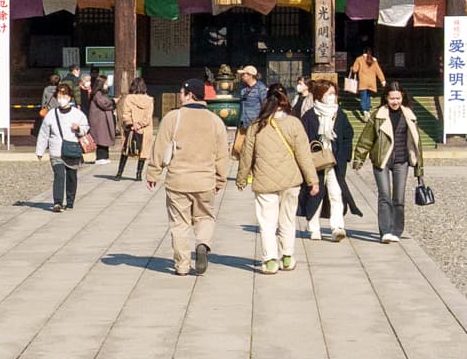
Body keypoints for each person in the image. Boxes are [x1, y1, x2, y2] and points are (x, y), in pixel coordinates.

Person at [148, 78, 232, 275]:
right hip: (205, 180)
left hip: (178, 180)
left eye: (182, 92)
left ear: (189, 94)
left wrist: (153, 172)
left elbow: (159, 147)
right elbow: (222, 155)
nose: (180, 95)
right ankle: (202, 243)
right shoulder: (215, 121)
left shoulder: (173, 118)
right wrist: (220, 179)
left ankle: (182, 265)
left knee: (179, 224)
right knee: (205, 216)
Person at [236, 87, 318, 274]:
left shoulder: (256, 126)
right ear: (286, 104)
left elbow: (246, 155)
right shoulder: (294, 123)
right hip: (291, 181)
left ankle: (270, 260)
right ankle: (287, 257)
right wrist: (312, 180)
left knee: (267, 223)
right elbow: (304, 155)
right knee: (288, 221)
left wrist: (242, 178)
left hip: (265, 181)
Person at [351, 81, 423, 245]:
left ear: (402, 97)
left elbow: (417, 144)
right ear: (386, 98)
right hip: (381, 160)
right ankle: (385, 231)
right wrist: (358, 159)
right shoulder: (378, 115)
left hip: (401, 160)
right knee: (384, 196)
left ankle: (396, 230)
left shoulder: (409, 116)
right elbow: (366, 139)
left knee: (399, 197)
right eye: (392, 98)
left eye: (398, 98)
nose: (395, 102)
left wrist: (419, 168)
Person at [299, 78, 351, 242]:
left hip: (335, 161)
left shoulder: (339, 114)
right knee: (316, 193)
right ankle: (314, 227)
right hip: (316, 161)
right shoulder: (309, 116)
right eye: (329, 94)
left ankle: (337, 226)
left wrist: (344, 156)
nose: (332, 97)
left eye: (334, 94)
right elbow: (303, 138)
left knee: (336, 193)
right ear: (320, 95)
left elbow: (347, 136)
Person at [35, 82, 90, 212]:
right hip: (56, 150)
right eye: (59, 95)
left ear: (70, 97)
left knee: (71, 176)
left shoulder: (78, 114)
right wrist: (40, 150)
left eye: (64, 95)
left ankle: (70, 201)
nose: (62, 98)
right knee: (59, 175)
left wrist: (79, 129)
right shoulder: (51, 114)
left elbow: (86, 128)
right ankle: (57, 202)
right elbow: (44, 133)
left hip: (72, 149)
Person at [115, 77, 155, 180]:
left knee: (126, 150)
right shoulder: (149, 100)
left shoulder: (129, 98)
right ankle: (138, 175)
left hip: (131, 129)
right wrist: (140, 124)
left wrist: (132, 124)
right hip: (144, 129)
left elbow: (126, 114)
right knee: (143, 152)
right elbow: (148, 116)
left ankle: (119, 173)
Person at [232, 65, 264, 155]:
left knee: (254, 148)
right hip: (243, 122)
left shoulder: (260, 88)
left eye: (244, 74)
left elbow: (265, 104)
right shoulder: (243, 89)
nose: (242, 76)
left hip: (255, 122)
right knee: (237, 147)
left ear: (250, 75)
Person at [87, 70, 116, 162]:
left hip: (102, 120)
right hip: (99, 121)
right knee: (101, 138)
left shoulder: (101, 93)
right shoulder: (97, 94)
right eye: (106, 83)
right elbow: (104, 104)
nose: (107, 85)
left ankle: (105, 157)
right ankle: (100, 158)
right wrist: (113, 101)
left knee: (104, 137)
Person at [352, 48, 386, 115]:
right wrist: (383, 80)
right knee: (368, 95)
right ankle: (367, 109)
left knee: (363, 96)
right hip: (371, 82)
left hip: (363, 82)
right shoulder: (373, 60)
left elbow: (355, 70)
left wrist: (352, 68)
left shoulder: (359, 59)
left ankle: (365, 110)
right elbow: (378, 71)